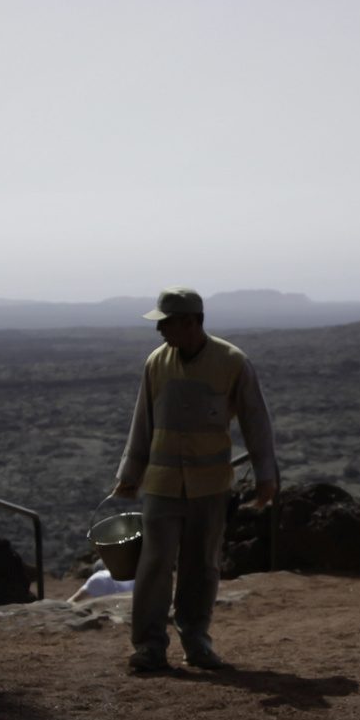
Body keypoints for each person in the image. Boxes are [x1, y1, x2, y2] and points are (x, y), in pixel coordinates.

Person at [113, 287, 277, 671]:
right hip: (162, 485)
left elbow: (256, 421)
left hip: (210, 486)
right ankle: (149, 646)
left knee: (201, 565)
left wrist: (266, 474)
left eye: (166, 323)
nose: (160, 332)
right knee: (155, 564)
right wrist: (130, 474)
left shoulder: (232, 362)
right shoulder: (157, 362)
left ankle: (196, 641)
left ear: (190, 322)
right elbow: (143, 423)